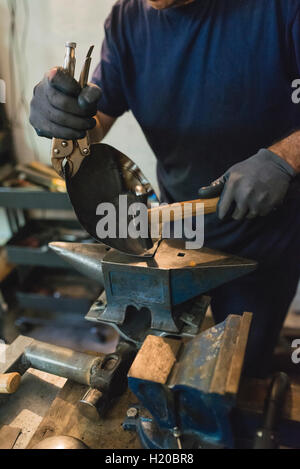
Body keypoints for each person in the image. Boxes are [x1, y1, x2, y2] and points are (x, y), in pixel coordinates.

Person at [30, 0, 300, 377]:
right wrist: (65, 119)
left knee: (238, 372)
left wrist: (285, 157)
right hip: (177, 234)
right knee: (170, 362)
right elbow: (96, 120)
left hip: (264, 234)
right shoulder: (128, 19)